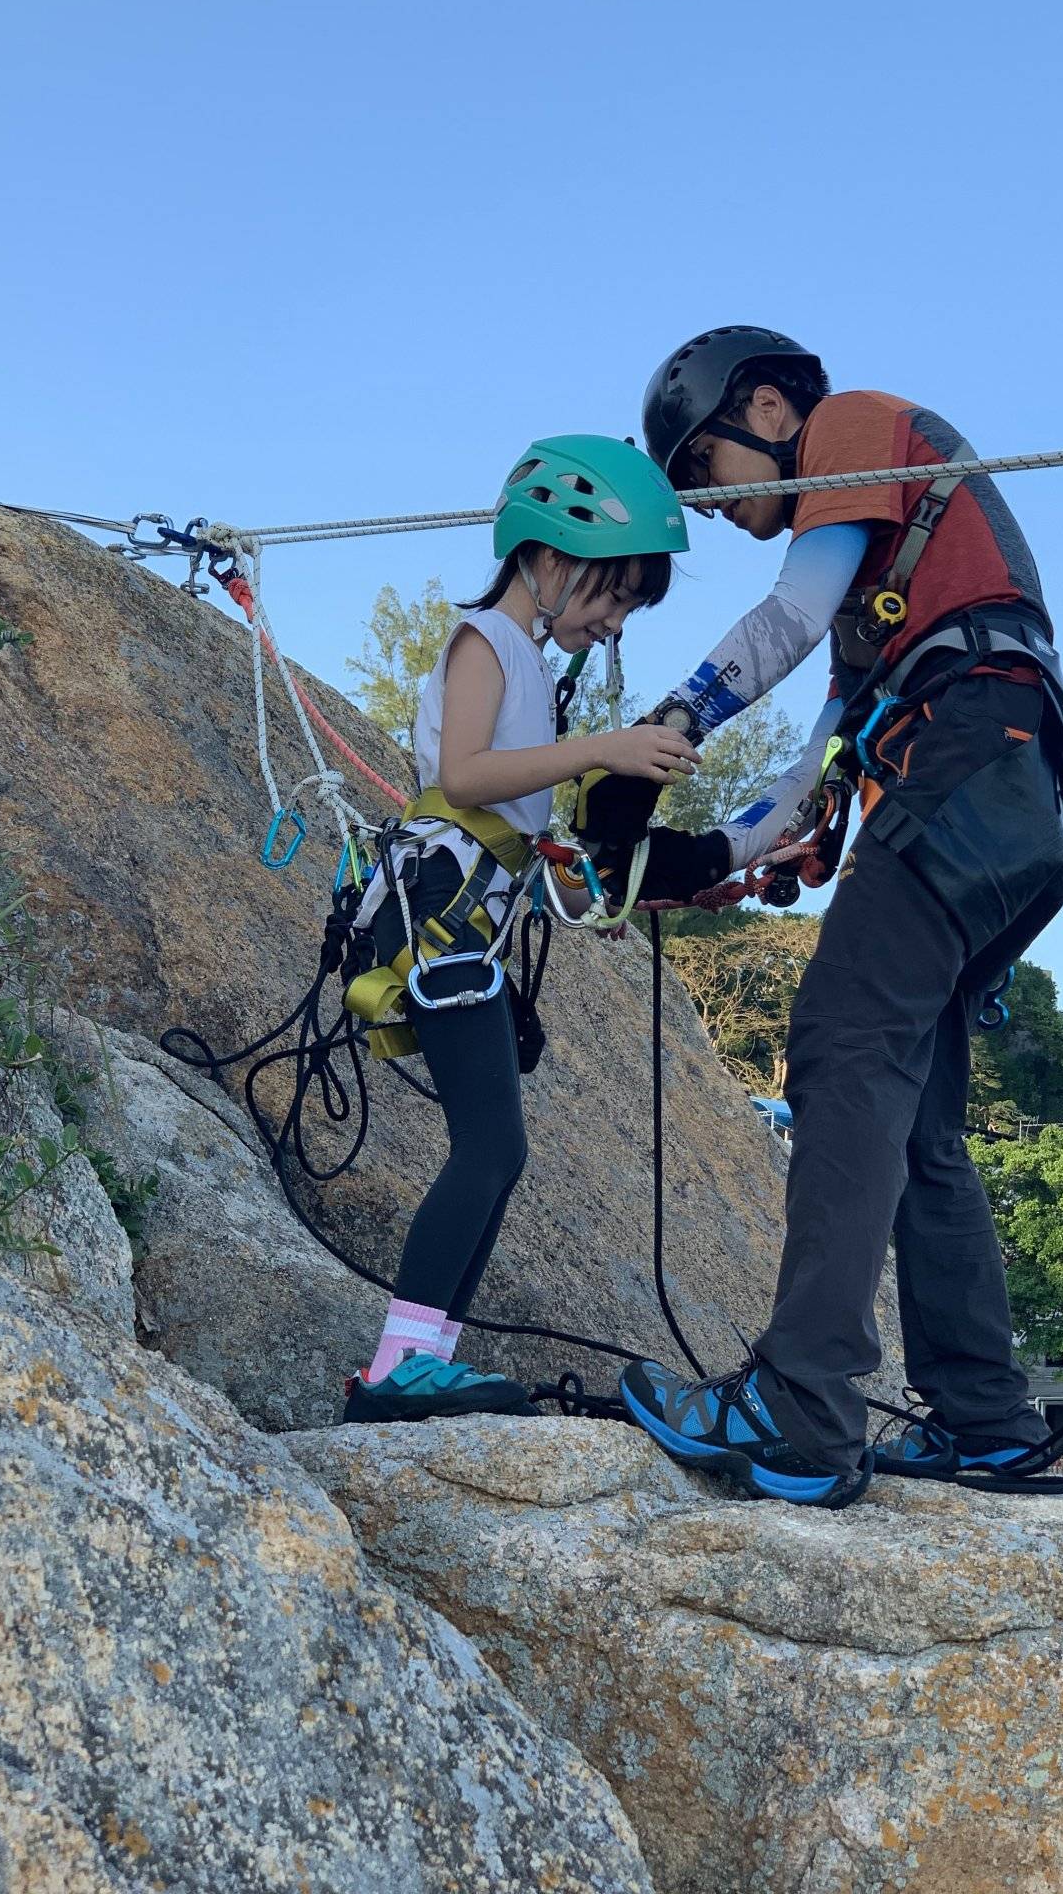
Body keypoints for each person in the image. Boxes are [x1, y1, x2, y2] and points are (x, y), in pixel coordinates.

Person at [580, 328, 1063, 1505]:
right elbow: (807, 781)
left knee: (840, 1050)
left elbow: (791, 609)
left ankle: (802, 1408)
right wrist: (687, 859)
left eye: (704, 474)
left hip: (968, 762)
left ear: (766, 406)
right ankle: (984, 1419)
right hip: (1016, 800)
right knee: (916, 1119)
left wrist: (663, 730)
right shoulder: (887, 598)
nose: (710, 510)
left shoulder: (849, 423)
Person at [342, 434, 696, 1424]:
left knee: (501, 1149)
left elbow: (503, 816)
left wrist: (579, 887)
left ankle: (424, 1358)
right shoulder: (484, 641)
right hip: (439, 917)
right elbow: (461, 776)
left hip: (471, 916)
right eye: (613, 594)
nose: (615, 620)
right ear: (551, 554)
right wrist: (606, 749)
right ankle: (396, 1366)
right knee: (490, 1145)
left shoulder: (530, 664)